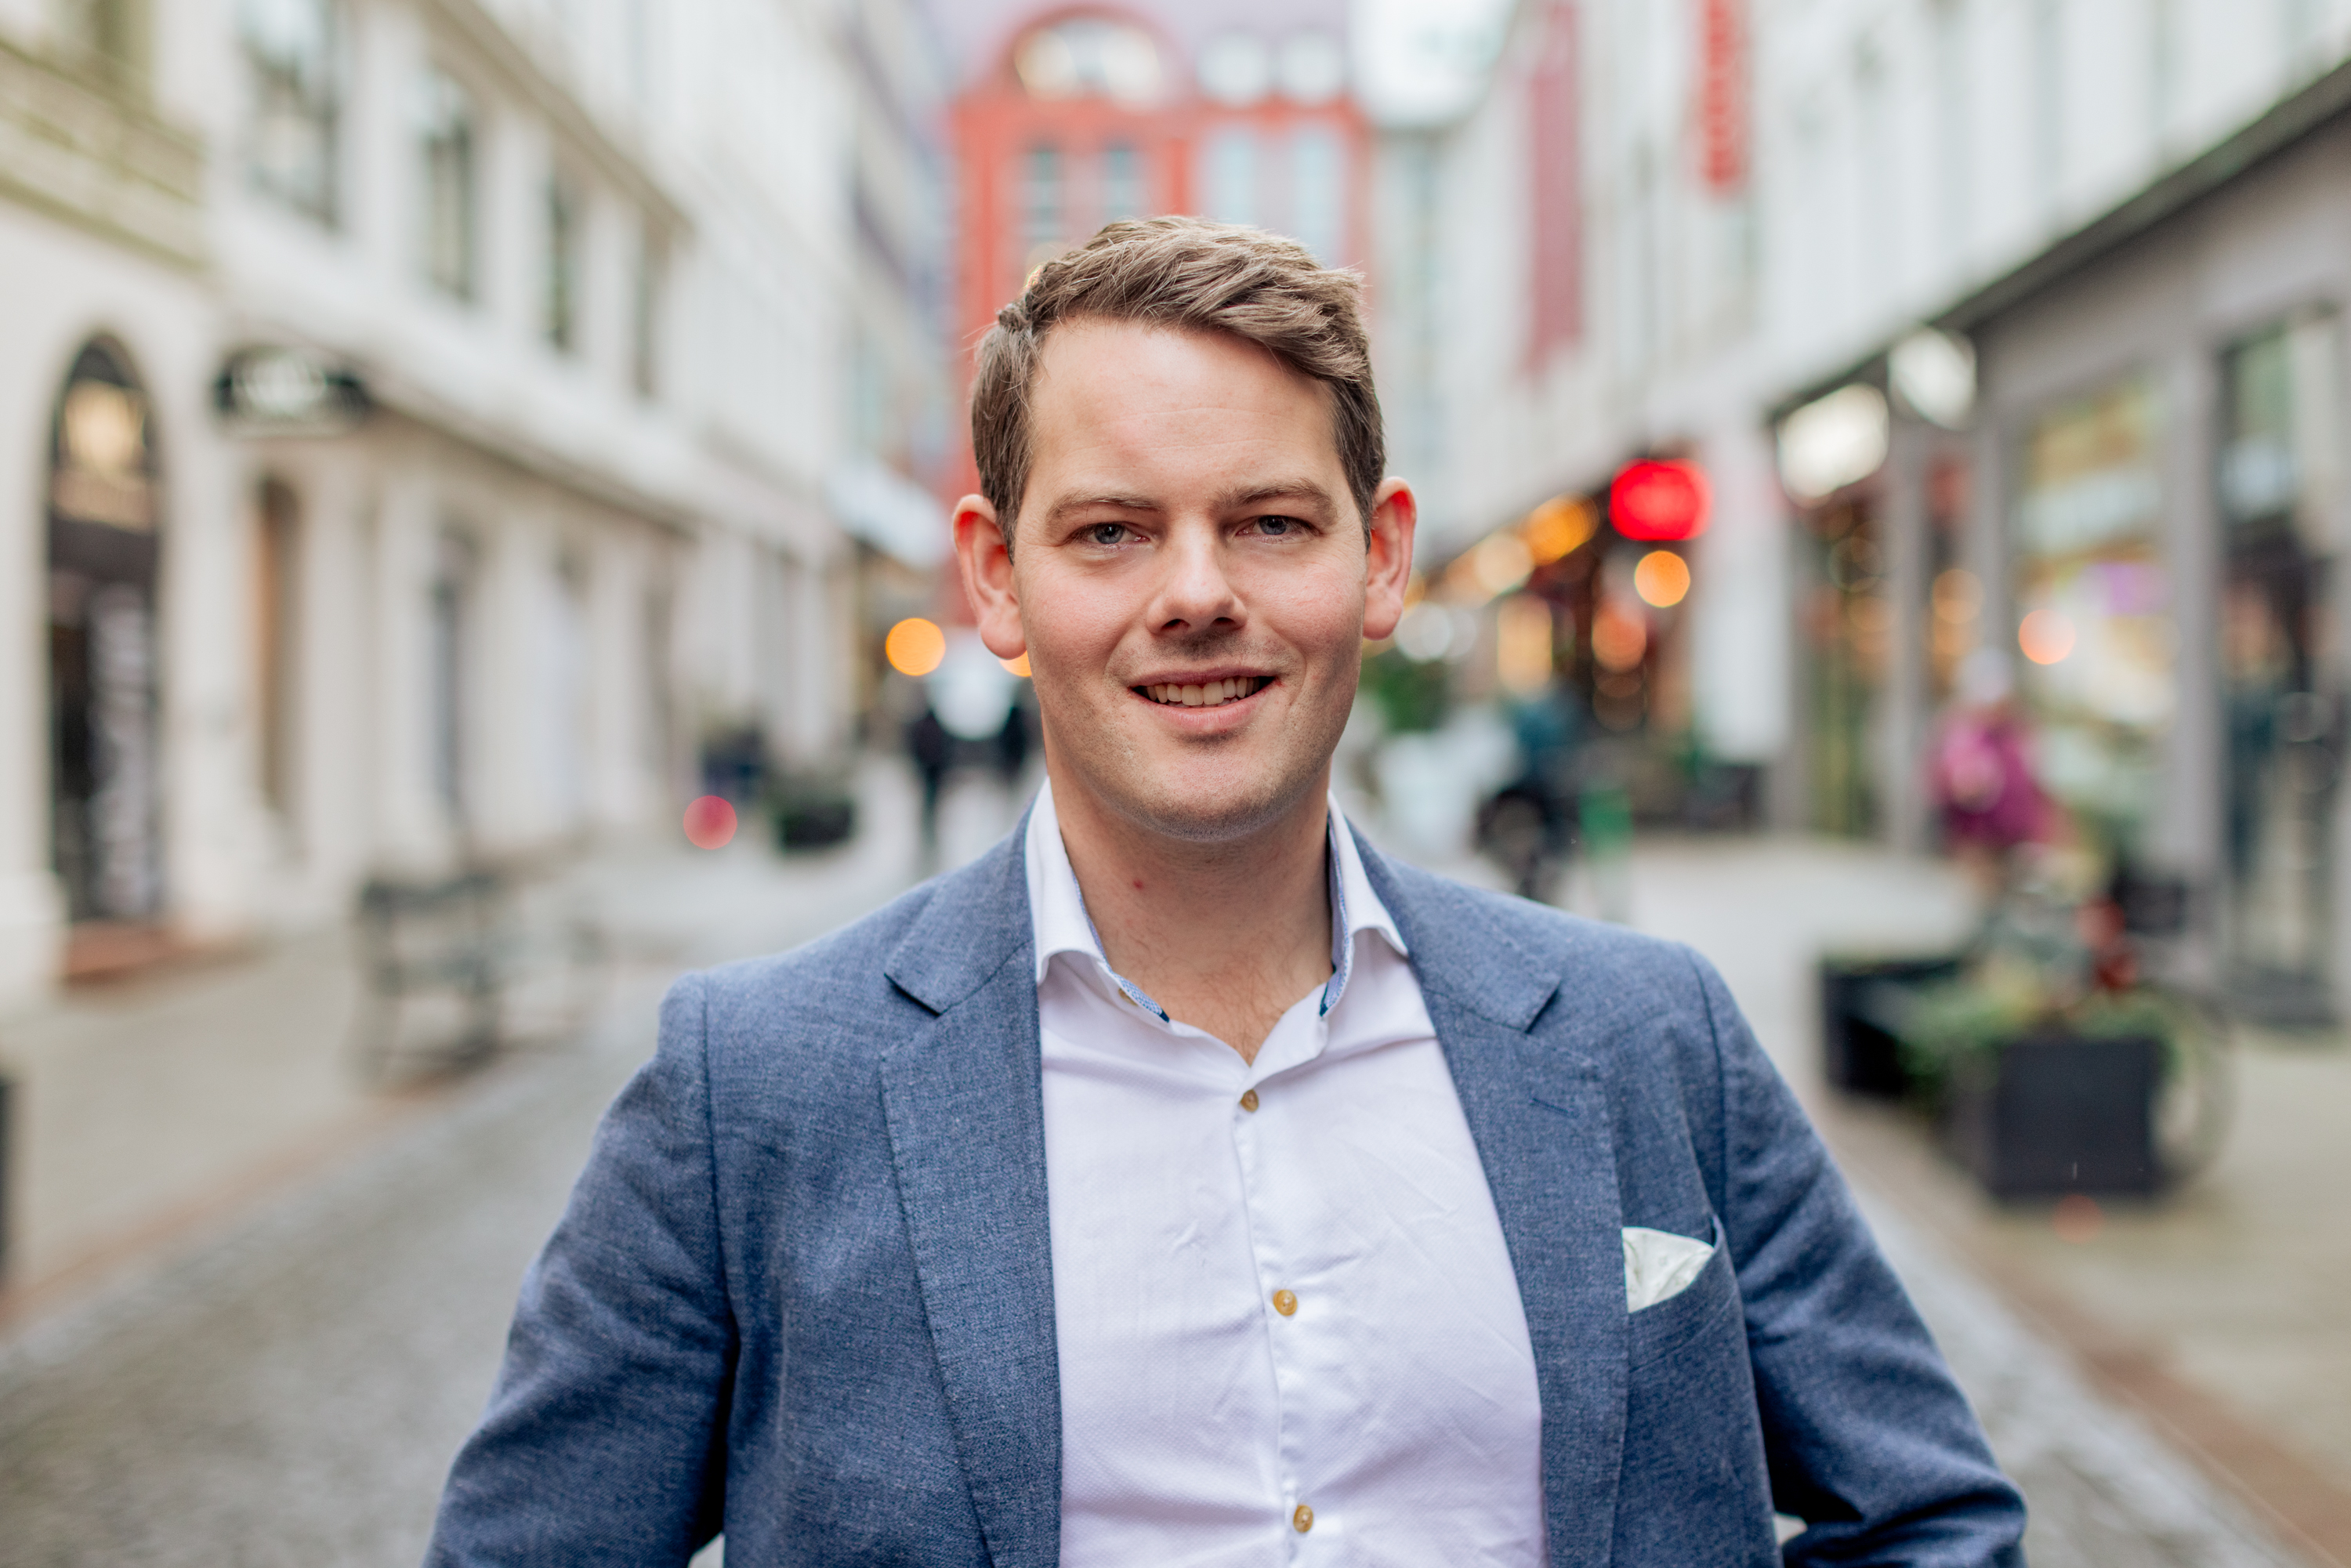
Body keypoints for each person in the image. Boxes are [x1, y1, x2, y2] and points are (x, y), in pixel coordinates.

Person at [426, 219, 2025, 1566]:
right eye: (1112, 531)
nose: (1197, 596)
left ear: (1381, 559)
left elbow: (1937, 1514)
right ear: (996, 576)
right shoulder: (757, 1087)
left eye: (1267, 522)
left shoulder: (1641, 1032)